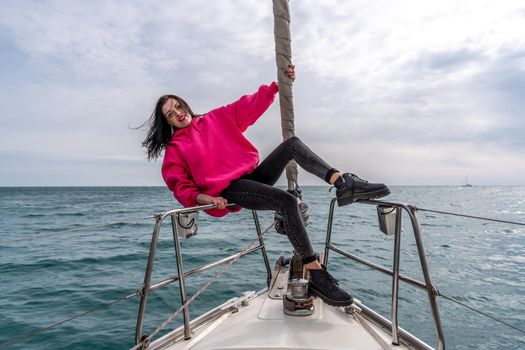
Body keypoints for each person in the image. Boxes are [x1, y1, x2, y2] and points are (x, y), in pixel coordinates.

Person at [142, 65, 390, 307]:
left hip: (253, 176)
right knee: (287, 201)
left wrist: (279, 84)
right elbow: (180, 187)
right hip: (232, 190)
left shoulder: (214, 119)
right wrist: (204, 199)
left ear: (185, 104)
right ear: (168, 122)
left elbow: (247, 105)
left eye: (178, 106)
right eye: (170, 114)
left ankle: (342, 182)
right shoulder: (176, 149)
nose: (178, 113)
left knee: (291, 144)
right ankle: (315, 273)